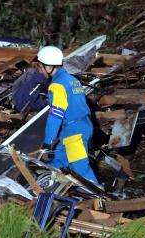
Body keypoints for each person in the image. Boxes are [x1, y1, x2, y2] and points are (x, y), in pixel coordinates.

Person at [36, 45, 100, 185]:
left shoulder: (57, 85)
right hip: (80, 126)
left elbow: (56, 115)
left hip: (74, 132)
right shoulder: (72, 80)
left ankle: (100, 198)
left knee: (80, 169)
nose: (39, 70)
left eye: (40, 67)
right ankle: (56, 189)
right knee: (58, 160)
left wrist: (48, 140)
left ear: (48, 67)